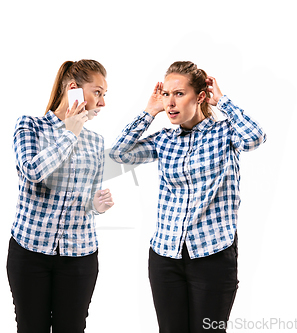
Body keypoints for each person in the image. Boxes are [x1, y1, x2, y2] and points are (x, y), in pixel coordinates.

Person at [109, 61, 267, 333]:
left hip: (213, 255)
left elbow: (255, 138)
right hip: (165, 255)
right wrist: (149, 111)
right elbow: (118, 154)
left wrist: (224, 102)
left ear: (201, 96)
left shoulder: (225, 133)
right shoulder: (164, 140)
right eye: (166, 94)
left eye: (179, 94)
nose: (170, 102)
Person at [7, 59, 114, 333]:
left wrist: (96, 205)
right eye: (98, 92)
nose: (102, 103)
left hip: (79, 256)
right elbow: (32, 171)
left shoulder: (96, 141)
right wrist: (69, 134)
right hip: (30, 252)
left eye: (104, 95)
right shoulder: (29, 126)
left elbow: (86, 200)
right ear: (74, 89)